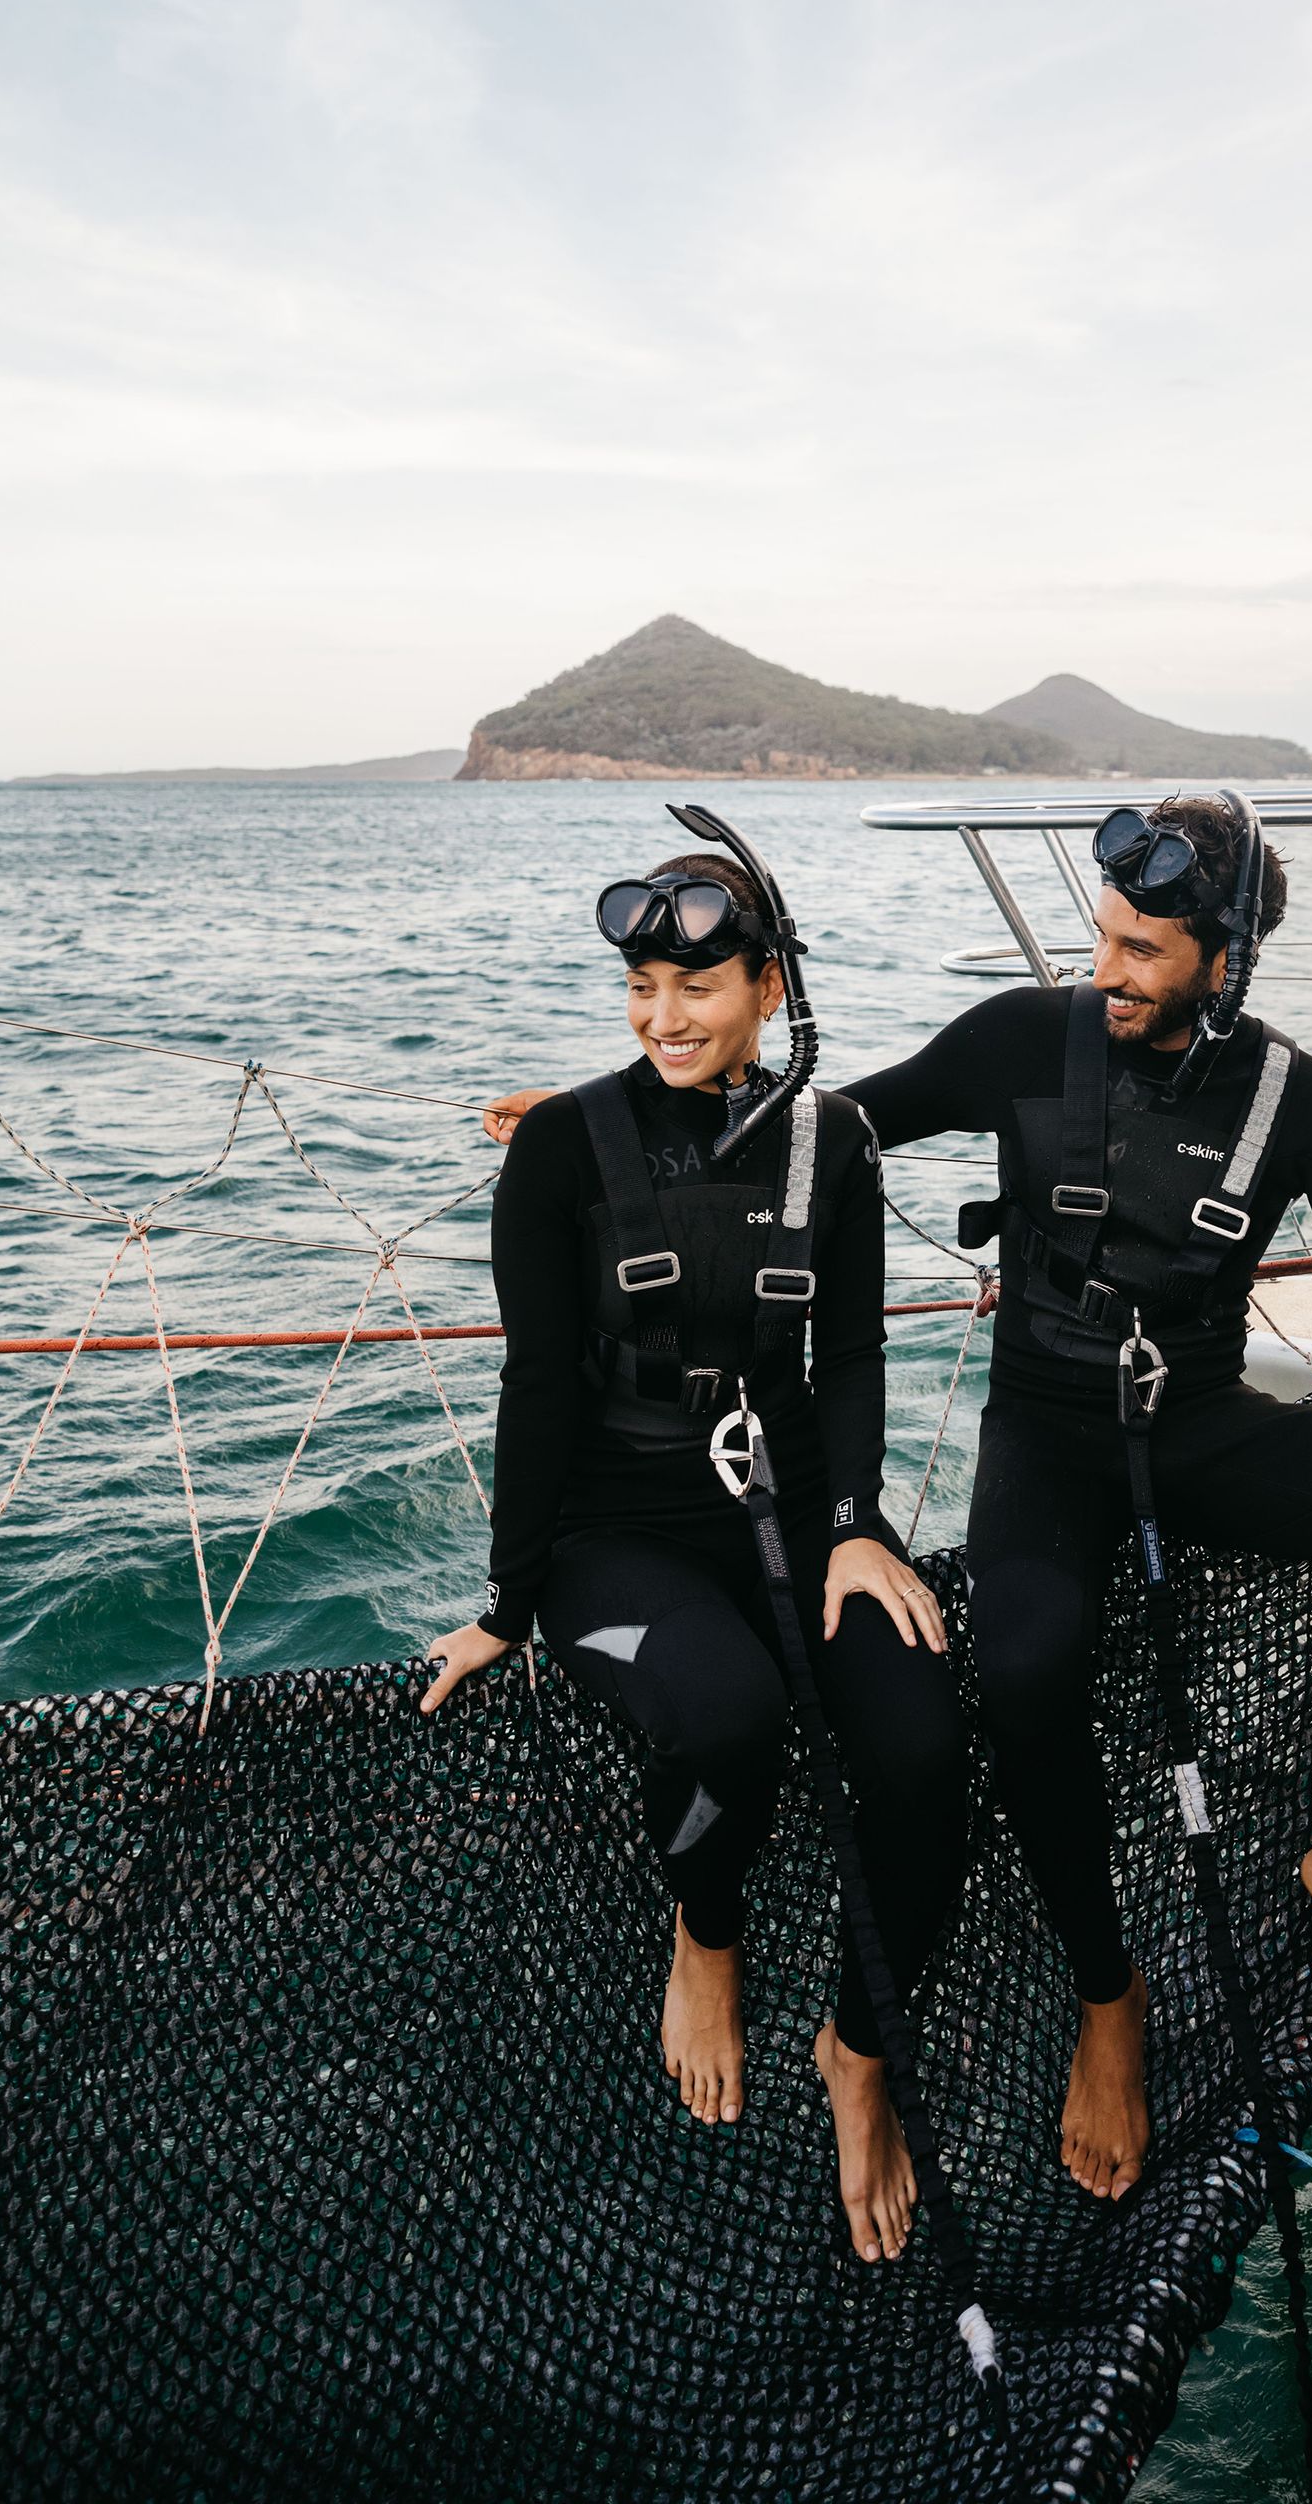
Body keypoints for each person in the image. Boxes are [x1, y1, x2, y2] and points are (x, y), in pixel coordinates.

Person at [485, 791, 1312, 2209]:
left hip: (1201, 1432)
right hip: (1046, 1442)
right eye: (1100, 937)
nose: (1105, 972)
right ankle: (1110, 2000)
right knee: (1024, 1668)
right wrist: (604, 1132)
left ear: (1226, 962)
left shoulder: (1295, 1099)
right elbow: (824, 1130)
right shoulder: (1023, 1039)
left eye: (1143, 952)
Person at [434, 824, 970, 2267]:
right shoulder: (563, 1145)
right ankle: (707, 1938)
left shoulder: (834, 1142)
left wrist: (854, 1529)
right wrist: (509, 1600)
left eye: (697, 985)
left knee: (927, 1752)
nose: (663, 1017)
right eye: (641, 987)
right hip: (614, 1529)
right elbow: (537, 1384)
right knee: (728, 1713)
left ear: (769, 988)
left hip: (794, 1513)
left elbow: (854, 1355)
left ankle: (859, 2053)